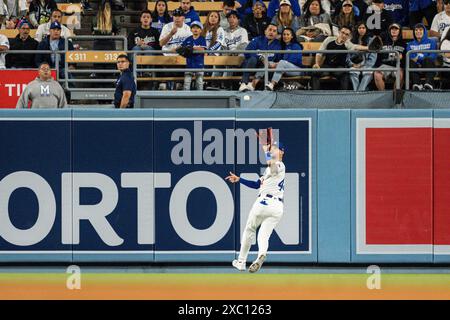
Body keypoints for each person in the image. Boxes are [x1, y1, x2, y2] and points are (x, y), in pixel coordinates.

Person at [225, 139, 287, 273]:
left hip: (264, 202)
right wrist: (239, 179)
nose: (273, 149)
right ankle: (261, 255)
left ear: (282, 152)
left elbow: (273, 165)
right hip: (276, 208)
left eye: (276, 148)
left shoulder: (280, 165)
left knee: (249, 229)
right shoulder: (268, 171)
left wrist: (265, 150)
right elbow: (256, 184)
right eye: (272, 148)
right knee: (263, 236)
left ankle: (241, 261)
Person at [311, 25, 367, 90]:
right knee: (315, 72)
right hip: (327, 66)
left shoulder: (347, 44)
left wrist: (369, 47)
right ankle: (316, 94)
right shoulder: (329, 39)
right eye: (342, 33)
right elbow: (319, 53)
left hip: (339, 67)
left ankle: (343, 96)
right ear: (339, 32)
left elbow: (357, 47)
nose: (344, 35)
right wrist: (317, 64)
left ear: (348, 36)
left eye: (346, 34)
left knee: (345, 74)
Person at [239, 23, 281, 91]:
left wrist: (274, 64)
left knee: (268, 64)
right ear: (265, 31)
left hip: (266, 69)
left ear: (276, 34)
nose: (271, 32)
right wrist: (261, 58)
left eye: (274, 31)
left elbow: (278, 58)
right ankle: (243, 83)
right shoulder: (257, 40)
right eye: (270, 30)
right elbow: (247, 52)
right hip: (252, 66)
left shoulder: (278, 44)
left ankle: (253, 85)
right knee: (253, 59)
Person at [374, 22, 406, 90]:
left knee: (400, 75)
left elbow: (406, 58)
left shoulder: (404, 44)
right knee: (377, 74)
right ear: (389, 31)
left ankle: (396, 96)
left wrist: (402, 58)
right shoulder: (383, 42)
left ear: (399, 31)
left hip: (398, 66)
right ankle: (383, 95)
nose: (394, 31)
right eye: (392, 29)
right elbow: (378, 55)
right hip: (385, 65)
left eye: (396, 29)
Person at [407, 23, 438, 90]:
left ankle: (429, 83)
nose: (418, 32)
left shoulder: (432, 42)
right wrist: (423, 56)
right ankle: (417, 84)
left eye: (420, 30)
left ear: (424, 31)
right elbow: (411, 57)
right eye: (416, 30)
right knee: (410, 62)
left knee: (428, 59)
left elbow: (433, 56)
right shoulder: (410, 44)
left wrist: (419, 57)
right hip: (416, 69)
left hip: (428, 68)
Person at [347, 22, 377, 91]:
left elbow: (373, 57)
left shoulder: (371, 40)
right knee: (352, 71)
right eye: (359, 28)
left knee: (368, 72)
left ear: (366, 29)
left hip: (367, 65)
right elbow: (347, 56)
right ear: (357, 29)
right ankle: (357, 92)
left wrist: (363, 65)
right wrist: (352, 64)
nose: (361, 30)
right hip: (355, 65)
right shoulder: (351, 41)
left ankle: (359, 92)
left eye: (363, 28)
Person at [178, 20, 206, 90]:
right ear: (191, 29)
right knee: (187, 82)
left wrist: (191, 48)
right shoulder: (188, 39)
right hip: (189, 64)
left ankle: (200, 96)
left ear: (200, 30)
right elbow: (181, 47)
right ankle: (186, 97)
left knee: (199, 82)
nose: (195, 29)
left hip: (199, 64)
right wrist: (177, 49)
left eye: (197, 28)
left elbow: (202, 49)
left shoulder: (202, 39)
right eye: (193, 28)